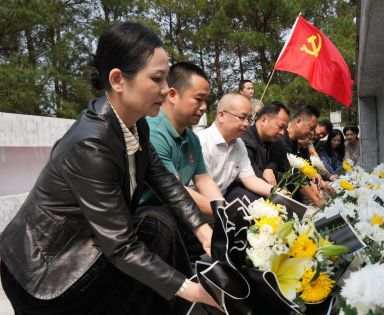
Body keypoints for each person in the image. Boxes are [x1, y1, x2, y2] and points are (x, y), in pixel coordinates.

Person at [0, 23, 220, 315]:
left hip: (85, 247)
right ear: (118, 79)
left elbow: (165, 181)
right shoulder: (90, 144)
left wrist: (205, 233)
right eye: (157, 78)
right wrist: (194, 291)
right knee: (154, 235)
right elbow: (121, 248)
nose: (167, 89)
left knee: (158, 222)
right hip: (44, 272)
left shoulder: (136, 123)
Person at [140, 61, 223, 216]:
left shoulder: (192, 138)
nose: (204, 107)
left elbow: (203, 179)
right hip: (150, 212)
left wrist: (222, 206)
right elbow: (175, 190)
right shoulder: (153, 133)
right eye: (199, 99)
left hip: (179, 209)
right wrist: (222, 212)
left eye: (206, 100)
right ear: (172, 95)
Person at [197, 94, 274, 202]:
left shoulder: (239, 144)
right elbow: (203, 186)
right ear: (221, 115)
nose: (247, 124)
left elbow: (249, 178)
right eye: (242, 118)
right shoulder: (202, 142)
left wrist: (277, 192)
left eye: (249, 119)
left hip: (221, 202)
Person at [268, 104, 326, 207]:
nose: (312, 133)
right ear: (298, 121)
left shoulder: (294, 142)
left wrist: (316, 193)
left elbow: (300, 173)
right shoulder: (281, 141)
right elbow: (294, 176)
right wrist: (318, 202)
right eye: (311, 128)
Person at [240, 101, 290, 186]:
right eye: (280, 127)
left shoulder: (275, 142)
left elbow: (277, 162)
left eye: (285, 129)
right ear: (264, 120)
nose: (282, 133)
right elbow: (252, 177)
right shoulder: (245, 141)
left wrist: (270, 168)